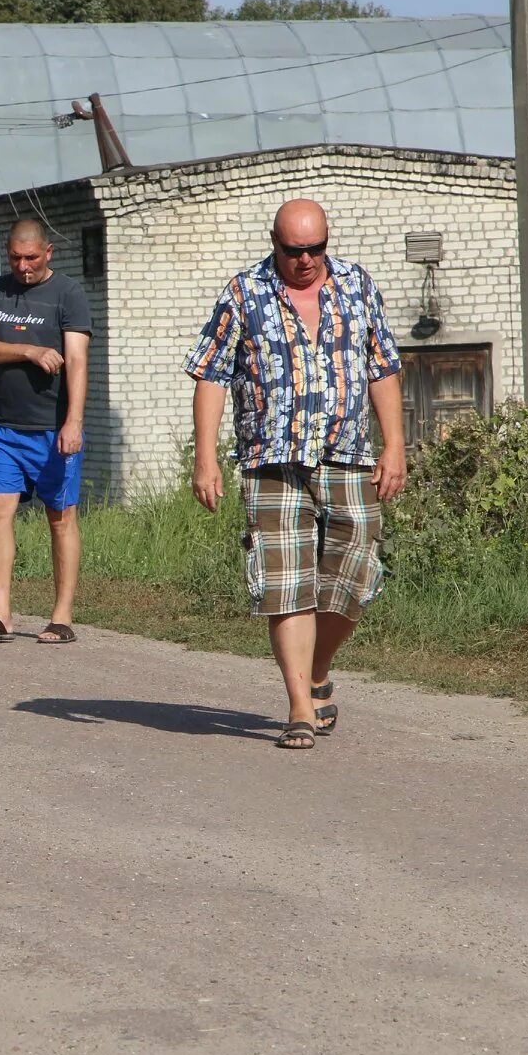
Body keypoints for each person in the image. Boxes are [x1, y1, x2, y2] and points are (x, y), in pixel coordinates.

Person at [184, 198, 407, 750]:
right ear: (274, 242)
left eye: (316, 248)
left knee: (354, 576)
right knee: (287, 586)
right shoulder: (244, 293)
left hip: (348, 455)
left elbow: (382, 366)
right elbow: (211, 374)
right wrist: (206, 457)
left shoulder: (358, 287)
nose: (306, 260)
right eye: (293, 250)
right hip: (271, 461)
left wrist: (396, 445)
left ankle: (317, 667)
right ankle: (300, 708)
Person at [0, 218, 93, 644]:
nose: (23, 266)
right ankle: (1, 614)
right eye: (15, 258)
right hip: (4, 428)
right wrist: (29, 350)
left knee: (60, 518)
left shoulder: (68, 294)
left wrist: (73, 422)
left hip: (52, 430)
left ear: (48, 252)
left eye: (31, 258)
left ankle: (62, 617)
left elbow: (76, 361)